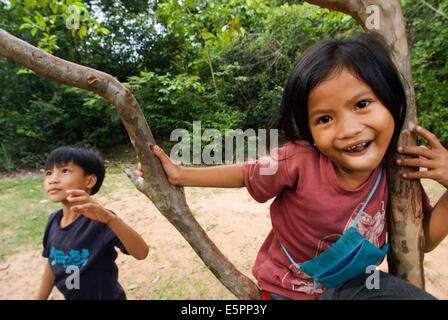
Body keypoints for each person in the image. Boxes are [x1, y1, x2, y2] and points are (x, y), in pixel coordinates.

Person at [138, 33, 446, 300]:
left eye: (361, 104)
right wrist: (182, 175)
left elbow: (424, 240)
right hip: (287, 291)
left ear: (391, 101)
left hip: (358, 286)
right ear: (310, 130)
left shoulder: (398, 174)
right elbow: (246, 174)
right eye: (324, 118)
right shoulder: (299, 161)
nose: (348, 129)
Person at [37, 146, 149, 300]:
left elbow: (141, 253)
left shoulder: (101, 220)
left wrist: (111, 220)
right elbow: (52, 262)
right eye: (49, 173)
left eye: (65, 171)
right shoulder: (53, 221)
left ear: (89, 180)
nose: (53, 179)